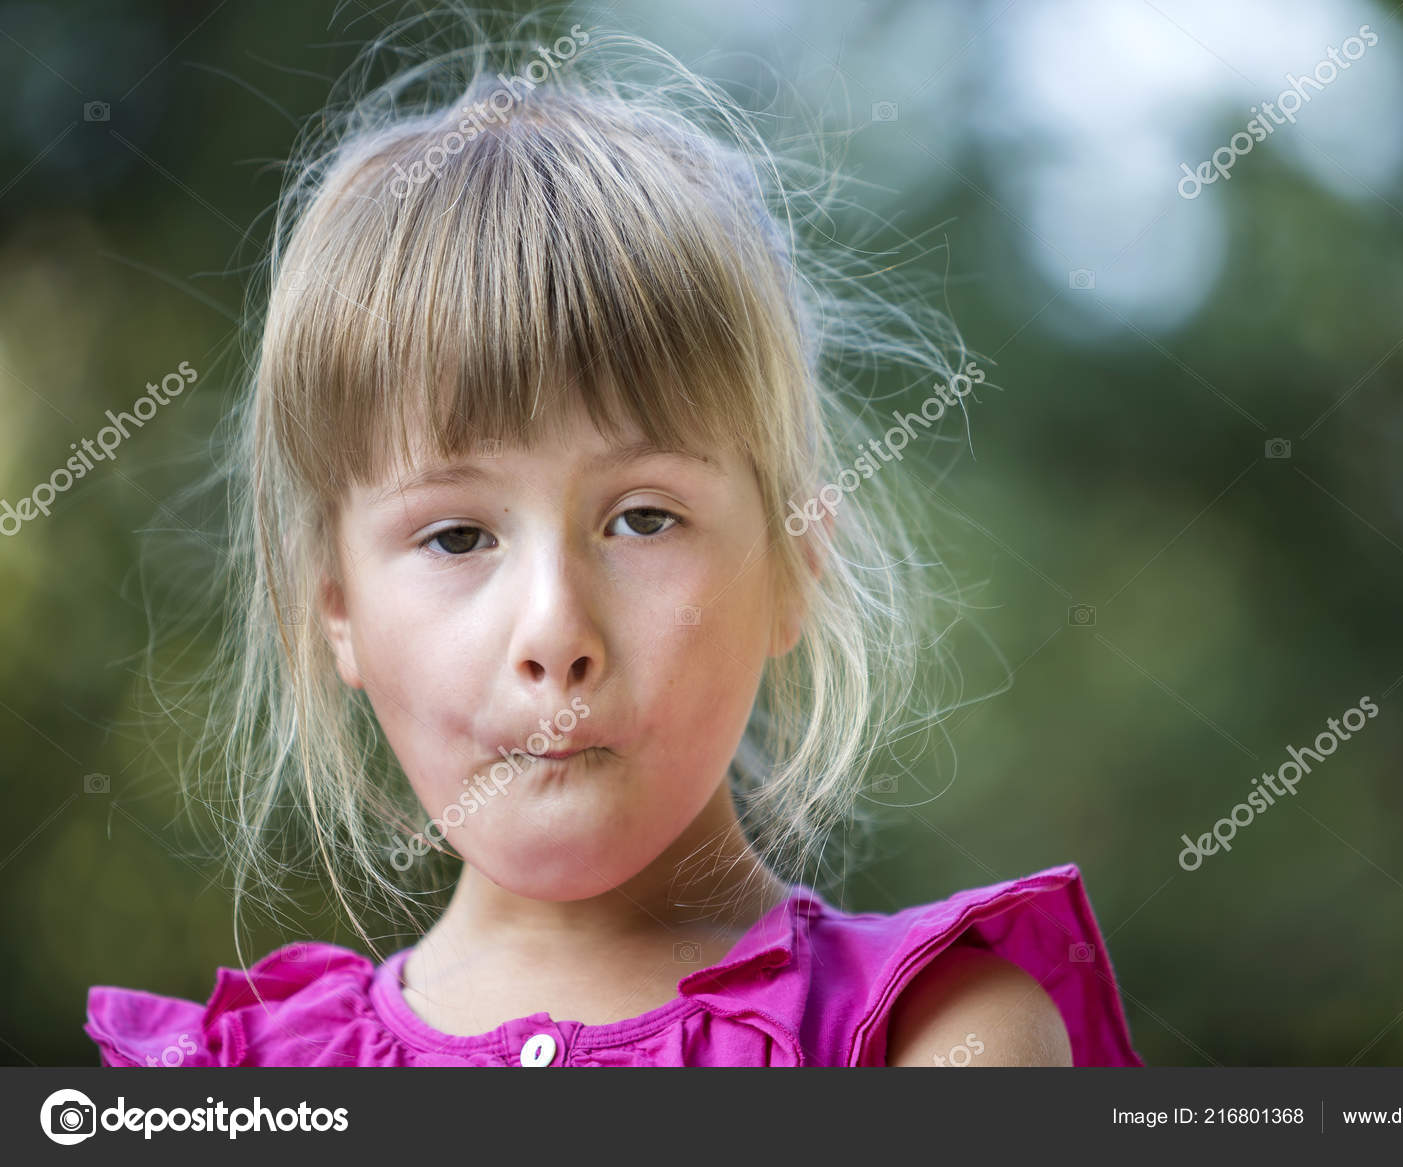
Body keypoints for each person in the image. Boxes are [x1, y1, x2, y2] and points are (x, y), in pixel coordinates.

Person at [84, 14, 1141, 1068]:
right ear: (336, 610)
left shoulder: (937, 1034)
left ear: (791, 567)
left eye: (643, 518)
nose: (555, 630)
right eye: (457, 535)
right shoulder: (241, 1081)